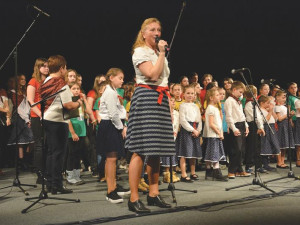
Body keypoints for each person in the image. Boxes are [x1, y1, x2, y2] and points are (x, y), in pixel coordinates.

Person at [125, 17, 174, 213]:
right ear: (143, 33)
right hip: (146, 97)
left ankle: (153, 193)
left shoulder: (156, 52)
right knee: (140, 149)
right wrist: (162, 53)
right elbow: (153, 75)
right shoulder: (140, 52)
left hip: (160, 99)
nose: (157, 33)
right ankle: (134, 197)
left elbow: (163, 79)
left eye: (159, 30)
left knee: (157, 149)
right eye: (152, 29)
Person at [40, 55, 82, 194]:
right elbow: (68, 105)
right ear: (61, 68)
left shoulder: (46, 80)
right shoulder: (61, 84)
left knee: (52, 153)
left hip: (47, 118)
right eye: (65, 67)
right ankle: (57, 185)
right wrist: (78, 103)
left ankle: (50, 184)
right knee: (58, 154)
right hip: (57, 121)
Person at [96, 68, 129, 203]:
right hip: (110, 125)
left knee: (113, 158)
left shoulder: (113, 91)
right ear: (111, 78)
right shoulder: (109, 92)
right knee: (110, 159)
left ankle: (114, 185)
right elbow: (113, 114)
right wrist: (122, 128)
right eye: (120, 78)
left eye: (122, 78)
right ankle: (110, 191)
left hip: (113, 125)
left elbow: (119, 111)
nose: (122, 80)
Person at [66, 82, 95, 185]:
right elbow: (67, 119)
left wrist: (85, 99)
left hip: (81, 131)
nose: (76, 90)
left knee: (78, 154)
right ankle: (70, 176)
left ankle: (77, 175)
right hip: (72, 132)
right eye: (74, 88)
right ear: (69, 90)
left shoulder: (80, 101)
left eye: (78, 88)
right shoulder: (68, 102)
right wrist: (73, 133)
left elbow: (88, 111)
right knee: (72, 154)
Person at [27, 58, 49, 183]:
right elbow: (31, 101)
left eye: (47, 66)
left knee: (47, 145)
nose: (46, 68)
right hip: (37, 116)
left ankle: (47, 171)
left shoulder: (48, 81)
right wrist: (40, 114)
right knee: (39, 145)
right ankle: (40, 174)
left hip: (48, 115)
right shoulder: (33, 81)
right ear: (38, 67)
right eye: (43, 66)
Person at [7, 74, 34, 171]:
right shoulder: (13, 93)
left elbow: (27, 106)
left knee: (31, 139)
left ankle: (26, 159)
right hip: (19, 118)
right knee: (21, 141)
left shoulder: (25, 91)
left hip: (27, 116)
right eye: (21, 79)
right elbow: (19, 109)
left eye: (25, 79)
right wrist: (26, 119)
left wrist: (29, 117)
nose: (24, 81)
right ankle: (22, 161)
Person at [224, 81, 250, 179]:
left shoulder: (237, 100)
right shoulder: (229, 101)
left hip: (242, 124)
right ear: (234, 90)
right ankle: (231, 170)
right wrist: (234, 128)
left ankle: (239, 170)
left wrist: (246, 126)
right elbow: (229, 117)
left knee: (242, 150)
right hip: (235, 125)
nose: (241, 94)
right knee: (236, 149)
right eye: (240, 92)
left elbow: (242, 114)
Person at [176, 85, 202, 182]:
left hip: (195, 128)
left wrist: (198, 130)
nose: (190, 95)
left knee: (193, 152)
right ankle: (183, 174)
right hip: (186, 130)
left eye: (192, 93)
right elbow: (183, 120)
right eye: (188, 93)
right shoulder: (183, 105)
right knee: (185, 152)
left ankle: (193, 172)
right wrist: (192, 130)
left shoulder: (196, 106)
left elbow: (199, 119)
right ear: (184, 94)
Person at [203, 88, 227, 181]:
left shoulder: (215, 108)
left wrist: (220, 132)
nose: (219, 96)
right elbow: (211, 124)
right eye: (217, 95)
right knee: (214, 154)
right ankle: (217, 172)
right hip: (213, 135)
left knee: (211, 153)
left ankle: (209, 172)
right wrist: (219, 133)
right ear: (211, 98)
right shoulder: (210, 108)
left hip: (215, 134)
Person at [243, 85, 266, 173]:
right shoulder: (249, 104)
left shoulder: (254, 103)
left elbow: (259, 116)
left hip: (257, 125)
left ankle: (258, 165)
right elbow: (255, 117)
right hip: (252, 126)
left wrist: (261, 126)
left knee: (257, 147)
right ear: (254, 94)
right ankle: (249, 165)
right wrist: (260, 127)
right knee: (251, 147)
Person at [161, 96, 180, 183]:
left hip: (174, 136)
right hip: (165, 137)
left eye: (174, 101)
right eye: (170, 101)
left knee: (173, 154)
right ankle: (166, 172)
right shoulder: (164, 112)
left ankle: (172, 172)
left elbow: (177, 124)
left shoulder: (176, 113)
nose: (173, 102)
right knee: (166, 154)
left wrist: (175, 133)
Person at [275, 90, 295, 168]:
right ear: (277, 97)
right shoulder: (277, 107)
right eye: (283, 97)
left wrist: (290, 115)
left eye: (285, 97)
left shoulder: (284, 107)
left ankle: (282, 161)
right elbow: (279, 119)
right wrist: (288, 114)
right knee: (280, 145)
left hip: (286, 125)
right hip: (281, 126)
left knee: (284, 145)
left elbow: (287, 117)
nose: (284, 99)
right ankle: (279, 162)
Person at [259, 95, 280, 169]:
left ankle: (267, 163)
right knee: (266, 145)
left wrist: (271, 110)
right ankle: (265, 164)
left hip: (271, 127)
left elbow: (276, 118)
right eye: (267, 103)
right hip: (267, 128)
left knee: (270, 145)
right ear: (262, 103)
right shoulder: (260, 110)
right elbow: (265, 120)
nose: (268, 105)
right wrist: (270, 111)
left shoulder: (266, 110)